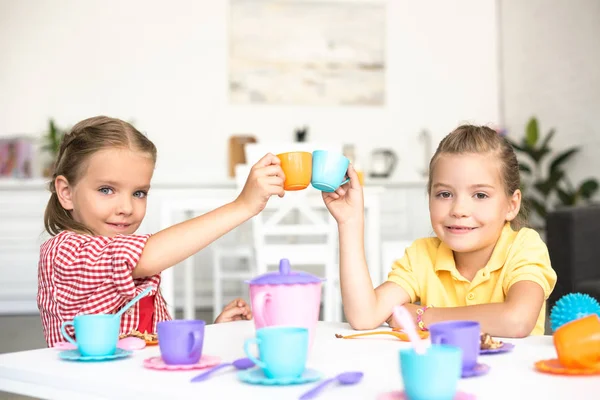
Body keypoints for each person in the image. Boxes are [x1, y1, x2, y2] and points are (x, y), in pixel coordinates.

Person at [38, 116, 284, 346]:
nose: (126, 207)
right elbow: (147, 256)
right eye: (106, 190)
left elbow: (151, 342)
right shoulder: (65, 252)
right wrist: (242, 206)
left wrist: (215, 331)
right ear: (66, 193)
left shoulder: (130, 259)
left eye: (139, 193)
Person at [323, 124, 557, 337]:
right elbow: (365, 316)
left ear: (511, 205)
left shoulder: (525, 247)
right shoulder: (422, 255)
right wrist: (349, 222)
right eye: (445, 194)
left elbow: (517, 320)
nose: (459, 209)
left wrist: (423, 317)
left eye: (480, 195)